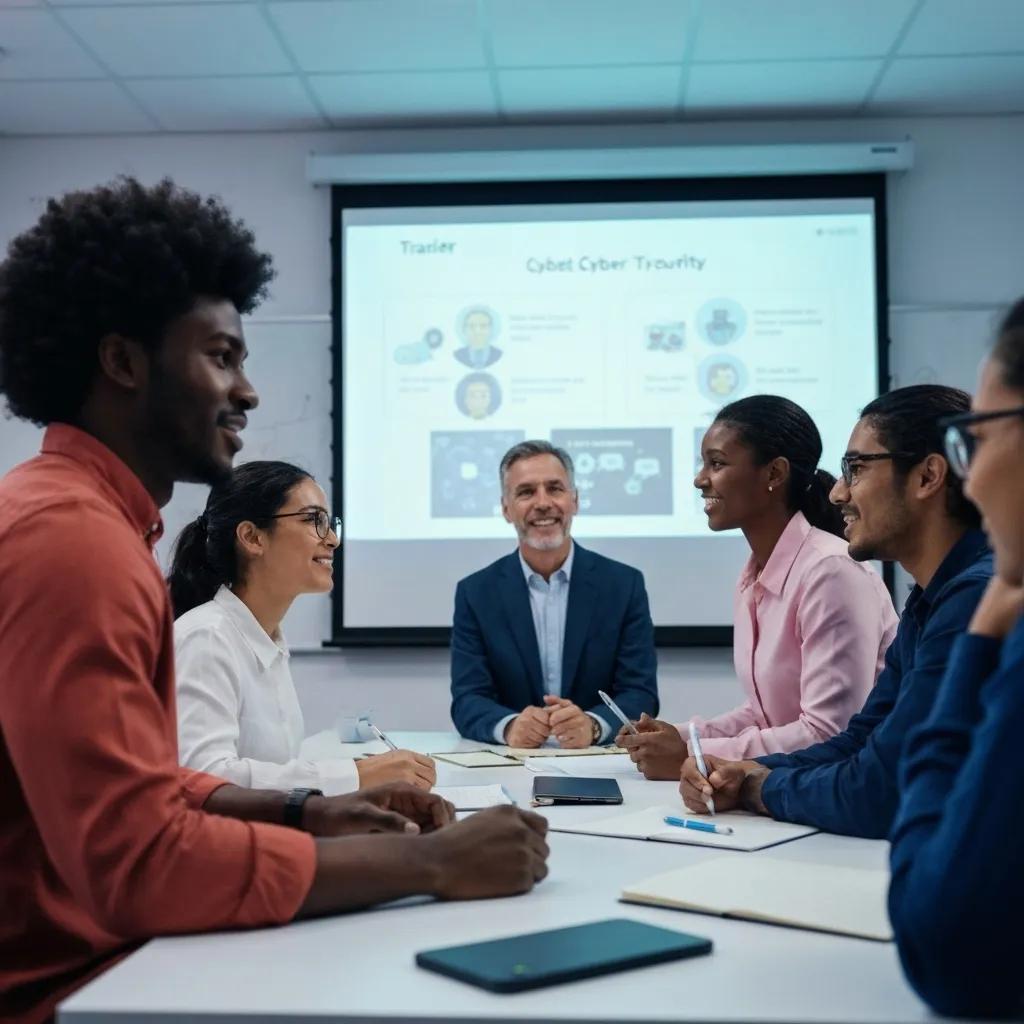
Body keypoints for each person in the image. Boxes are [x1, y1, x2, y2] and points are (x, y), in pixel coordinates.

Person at [0, 178, 548, 1022]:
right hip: (70, 991)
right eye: (222, 357)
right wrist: (432, 863)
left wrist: (309, 812)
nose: (249, 391)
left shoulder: (79, 520)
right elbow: (140, 865)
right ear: (123, 363)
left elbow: (151, 790)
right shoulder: (74, 543)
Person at [680, 385, 992, 839]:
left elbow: (878, 788)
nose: (838, 493)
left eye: (856, 469)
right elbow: (861, 738)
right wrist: (750, 770)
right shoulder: (930, 600)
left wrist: (757, 787)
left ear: (927, 476)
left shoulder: (973, 599)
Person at [617, 396, 897, 778]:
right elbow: (765, 714)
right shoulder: (754, 574)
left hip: (848, 791)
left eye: (717, 464)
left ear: (774, 473)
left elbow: (829, 733)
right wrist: (678, 736)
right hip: (796, 784)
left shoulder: (830, 571)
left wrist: (691, 753)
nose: (700, 479)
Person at [888, 300, 1024, 1017]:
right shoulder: (927, 596)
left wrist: (979, 650)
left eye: (980, 437)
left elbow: (947, 951)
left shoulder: (985, 601)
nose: (973, 480)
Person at [169, 460, 437, 795]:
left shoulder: (268, 640)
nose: (333, 539)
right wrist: (358, 775)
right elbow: (206, 779)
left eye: (330, 523)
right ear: (252, 537)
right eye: (314, 520)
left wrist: (362, 784)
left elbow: (272, 769)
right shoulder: (206, 637)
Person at [451, 439, 659, 746]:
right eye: (526, 492)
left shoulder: (624, 585)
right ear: (506, 509)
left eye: (555, 488)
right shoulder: (476, 593)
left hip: (597, 761)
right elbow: (468, 699)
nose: (543, 502)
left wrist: (595, 725)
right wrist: (510, 727)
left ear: (575, 500)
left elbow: (640, 693)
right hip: (510, 760)